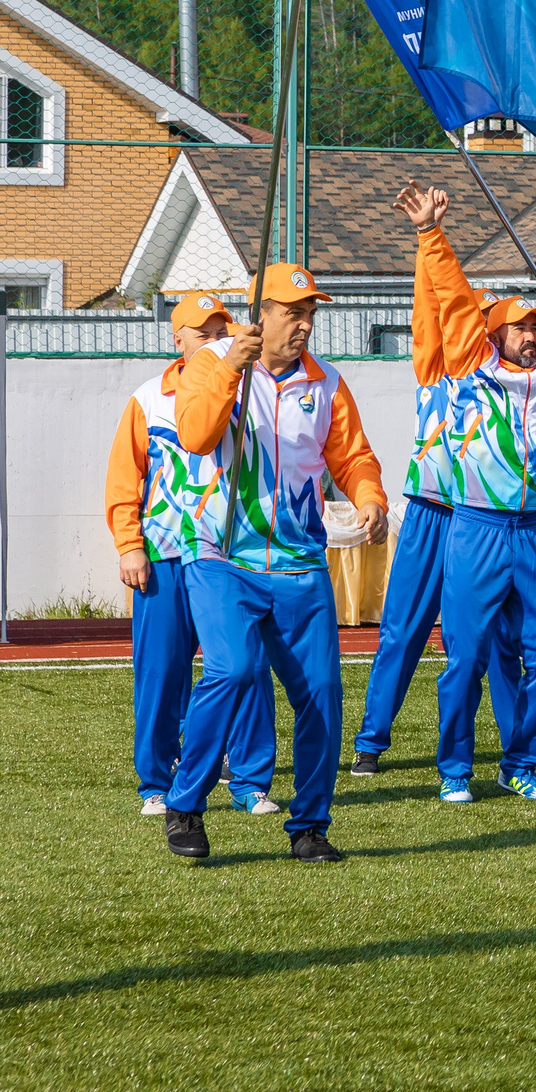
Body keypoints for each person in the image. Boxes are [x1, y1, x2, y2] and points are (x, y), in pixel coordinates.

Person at [162, 263, 387, 862]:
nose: (306, 325)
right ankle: (185, 805)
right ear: (260, 312)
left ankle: (310, 825)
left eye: (312, 313)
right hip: (219, 556)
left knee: (321, 694)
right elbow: (196, 435)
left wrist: (369, 497)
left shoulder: (328, 383)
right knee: (231, 672)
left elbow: (354, 456)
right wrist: (229, 371)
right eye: (294, 313)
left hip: (299, 564)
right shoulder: (209, 363)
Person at [419, 228, 536, 805]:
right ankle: (455, 768)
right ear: (494, 336)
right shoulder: (470, 372)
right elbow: (457, 300)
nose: (533, 336)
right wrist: (433, 234)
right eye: (519, 327)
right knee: (465, 657)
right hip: (478, 528)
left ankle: (523, 765)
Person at [105, 292, 278, 817]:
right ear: (175, 338)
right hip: (162, 555)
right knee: (161, 672)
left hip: (227, 554)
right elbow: (123, 479)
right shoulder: (146, 398)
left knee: (246, 668)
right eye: (201, 331)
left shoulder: (248, 387)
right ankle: (157, 780)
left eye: (220, 328)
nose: (214, 338)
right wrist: (130, 546)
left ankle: (250, 781)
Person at [354, 184, 496, 776]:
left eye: (486, 321)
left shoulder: (505, 383)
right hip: (429, 511)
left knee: (481, 643)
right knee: (401, 631)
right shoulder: (436, 372)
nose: (475, 327)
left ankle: (502, 753)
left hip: (478, 517)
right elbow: (428, 311)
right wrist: (424, 237)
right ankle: (370, 740)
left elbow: (452, 306)